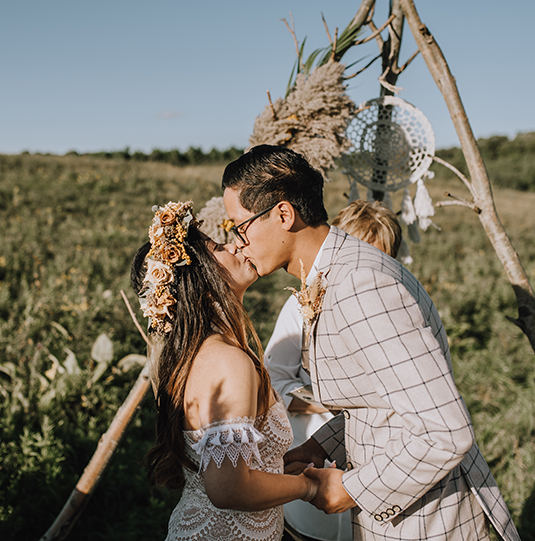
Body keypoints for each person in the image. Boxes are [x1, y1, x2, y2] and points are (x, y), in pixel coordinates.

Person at [221, 146, 520, 541]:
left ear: (283, 214)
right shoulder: (337, 272)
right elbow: (383, 403)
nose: (237, 242)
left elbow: (446, 432)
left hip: (427, 524)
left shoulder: (362, 285)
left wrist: (350, 488)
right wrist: (320, 445)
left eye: (240, 226)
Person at [130, 200, 319, 541]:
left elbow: (230, 466)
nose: (234, 244)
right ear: (201, 278)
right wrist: (308, 488)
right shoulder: (227, 361)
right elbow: (227, 488)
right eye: (218, 248)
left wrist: (281, 464)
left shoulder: (199, 354)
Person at [264, 200, 402, 541]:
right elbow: (273, 379)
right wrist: (323, 402)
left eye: (381, 258)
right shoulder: (301, 306)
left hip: (378, 455)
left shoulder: (396, 306)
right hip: (314, 441)